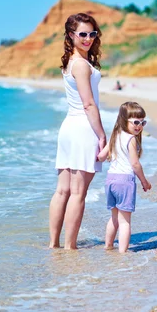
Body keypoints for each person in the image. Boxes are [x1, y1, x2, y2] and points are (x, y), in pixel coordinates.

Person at [49, 13, 106, 250]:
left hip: (68, 129)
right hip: (83, 129)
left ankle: (54, 245)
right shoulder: (81, 64)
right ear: (71, 35)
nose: (88, 38)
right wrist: (103, 136)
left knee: (63, 190)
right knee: (77, 193)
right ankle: (70, 247)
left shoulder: (70, 62)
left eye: (92, 34)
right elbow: (89, 104)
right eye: (82, 34)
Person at [98, 102, 151, 253]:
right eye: (135, 122)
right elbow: (135, 164)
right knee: (125, 221)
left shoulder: (115, 136)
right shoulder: (131, 139)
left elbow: (101, 156)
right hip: (124, 181)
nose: (139, 126)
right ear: (124, 120)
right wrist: (144, 181)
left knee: (114, 218)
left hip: (110, 180)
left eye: (142, 122)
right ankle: (122, 254)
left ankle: (108, 246)